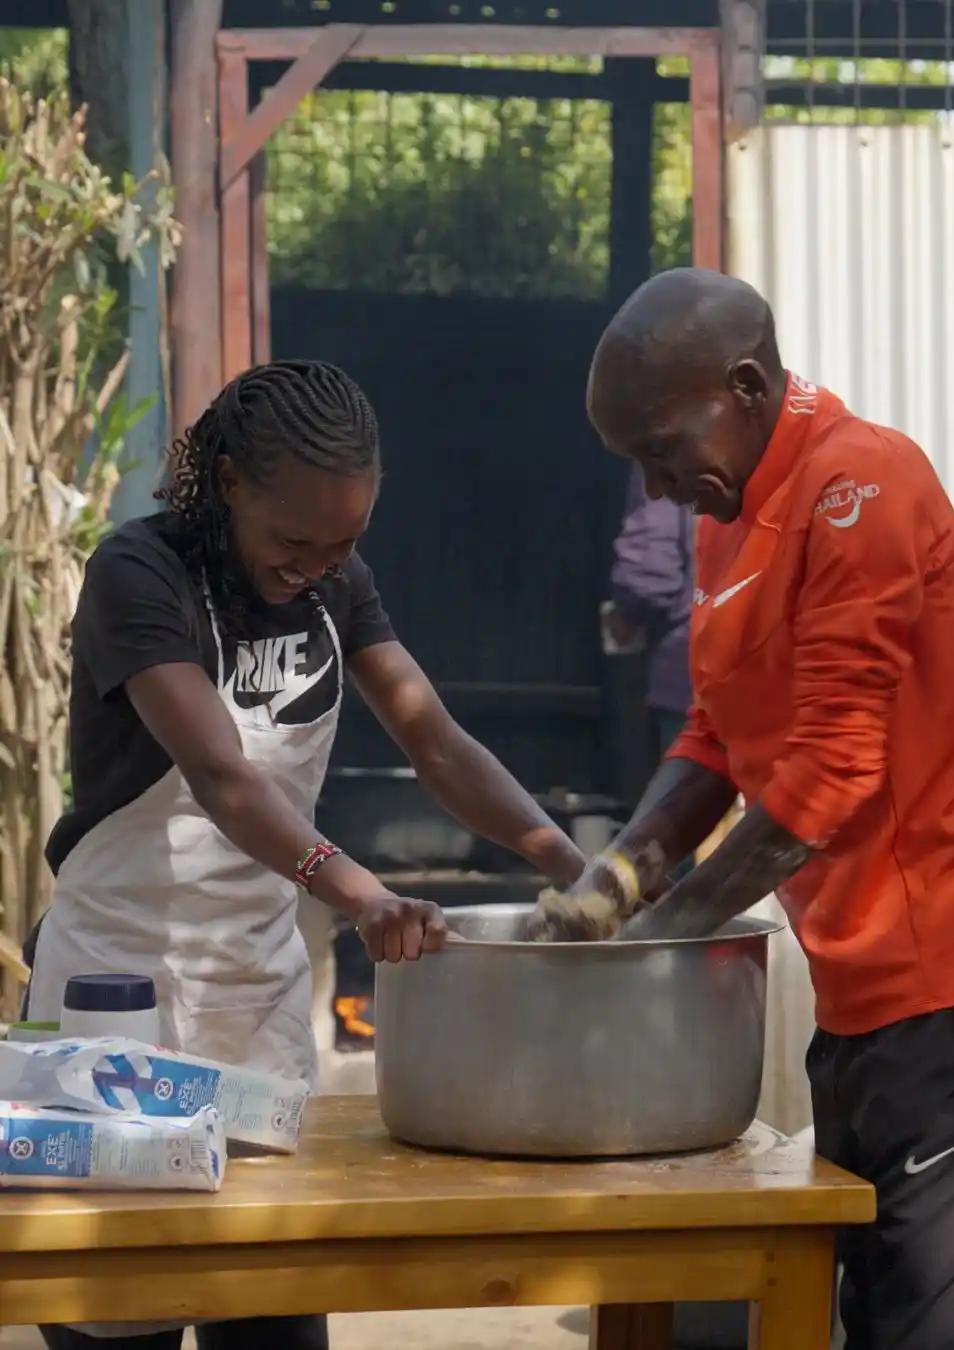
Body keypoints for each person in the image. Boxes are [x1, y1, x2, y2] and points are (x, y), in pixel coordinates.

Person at [535, 268, 954, 1350]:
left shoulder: (862, 483)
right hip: (865, 1005)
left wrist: (662, 942)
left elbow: (834, 776)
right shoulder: (727, 512)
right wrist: (623, 875)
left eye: (660, 451)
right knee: (880, 1323)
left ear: (744, 388)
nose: (654, 489)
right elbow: (716, 735)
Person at [26, 359, 586, 1350]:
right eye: (295, 541)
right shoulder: (140, 575)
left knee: (273, 1314)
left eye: (345, 544)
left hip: (257, 1006)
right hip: (117, 1001)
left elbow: (437, 741)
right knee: (124, 1316)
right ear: (231, 480)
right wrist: (363, 894)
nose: (318, 565)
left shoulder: (335, 584)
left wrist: (568, 863)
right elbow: (222, 776)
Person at [604, 461, 693, 762]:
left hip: (689, 669)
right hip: (768, 674)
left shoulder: (663, 453)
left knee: (686, 801)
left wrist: (624, 616)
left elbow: (651, 571)